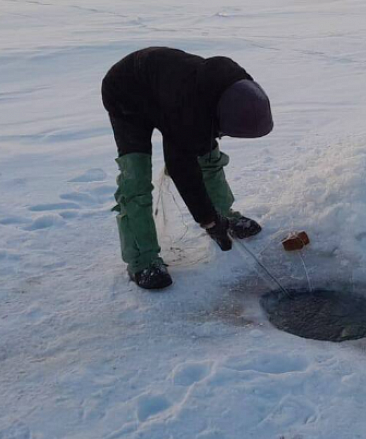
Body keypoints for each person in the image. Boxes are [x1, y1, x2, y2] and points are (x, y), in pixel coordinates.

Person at [101, 47, 273, 290]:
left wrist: (216, 217)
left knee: (209, 158)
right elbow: (183, 171)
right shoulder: (186, 111)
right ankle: (143, 261)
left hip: (171, 93)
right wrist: (208, 222)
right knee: (136, 180)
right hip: (126, 96)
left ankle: (226, 215)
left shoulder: (234, 80)